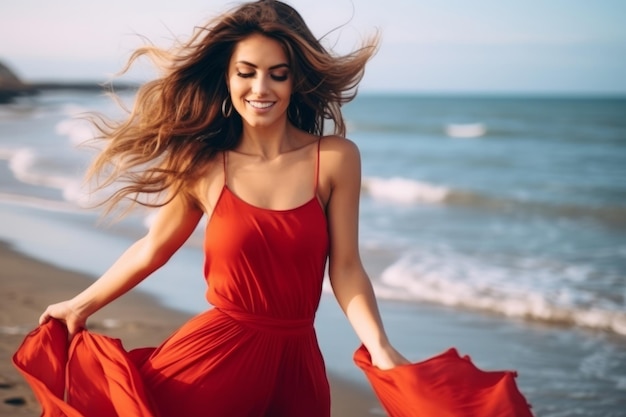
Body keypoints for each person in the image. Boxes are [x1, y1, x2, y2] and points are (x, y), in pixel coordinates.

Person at [13, 1, 534, 416]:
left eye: (277, 74)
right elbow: (153, 248)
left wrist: (379, 345)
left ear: (296, 80)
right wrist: (80, 305)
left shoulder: (334, 159)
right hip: (214, 358)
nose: (260, 89)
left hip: (299, 364)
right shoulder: (202, 165)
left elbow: (346, 267)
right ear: (227, 77)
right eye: (247, 72)